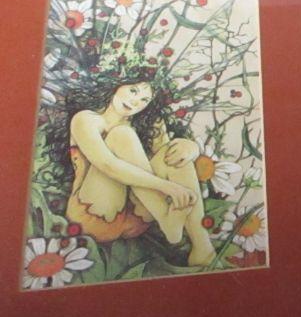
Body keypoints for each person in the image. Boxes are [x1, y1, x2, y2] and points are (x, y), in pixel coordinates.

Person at [56, 72, 215, 266]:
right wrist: (167, 187)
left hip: (136, 219)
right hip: (95, 215)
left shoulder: (148, 123)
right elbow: (107, 165)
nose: (135, 102)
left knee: (174, 155)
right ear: (117, 84)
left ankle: (202, 248)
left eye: (144, 100)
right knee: (121, 134)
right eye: (133, 90)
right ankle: (167, 220)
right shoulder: (86, 119)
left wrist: (191, 148)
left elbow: (167, 158)